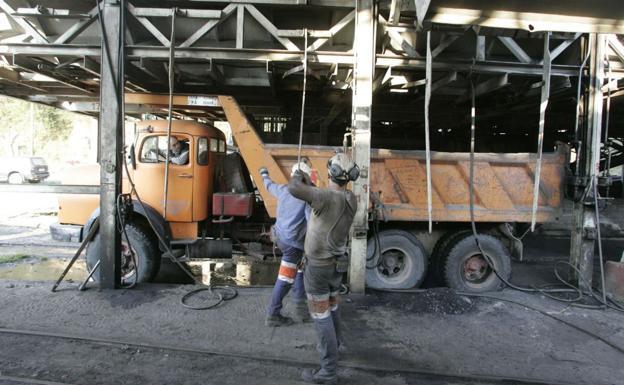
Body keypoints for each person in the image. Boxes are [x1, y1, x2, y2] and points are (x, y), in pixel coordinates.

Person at [288, 152, 359, 385]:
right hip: (336, 267)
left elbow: (294, 189)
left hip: (318, 269)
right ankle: (336, 346)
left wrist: (297, 175)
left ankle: (328, 371)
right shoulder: (350, 198)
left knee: (321, 316)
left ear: (331, 172)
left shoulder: (324, 198)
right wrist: (307, 183)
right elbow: (315, 193)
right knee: (332, 307)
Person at [260, 161, 313, 327]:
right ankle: (273, 314)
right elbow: (311, 223)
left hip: (280, 238)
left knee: (299, 269)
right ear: (306, 179)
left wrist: (264, 173)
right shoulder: (306, 198)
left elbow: (268, 185)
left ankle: (301, 310)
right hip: (293, 245)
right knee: (285, 278)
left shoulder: (283, 189)